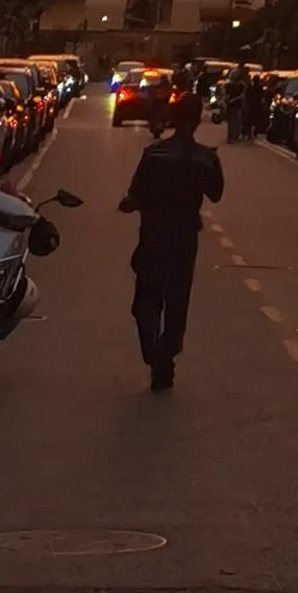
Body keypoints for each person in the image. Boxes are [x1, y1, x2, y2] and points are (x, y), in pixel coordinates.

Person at [118, 87, 224, 390]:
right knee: (177, 302)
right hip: (184, 240)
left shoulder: (154, 155)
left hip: (153, 236)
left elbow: (134, 195)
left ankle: (155, 353)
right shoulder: (206, 158)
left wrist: (132, 204)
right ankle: (165, 357)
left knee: (147, 299)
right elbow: (216, 193)